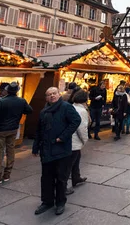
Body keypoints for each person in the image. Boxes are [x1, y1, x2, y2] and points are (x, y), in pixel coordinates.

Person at [33, 87, 81, 216]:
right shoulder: (44, 111)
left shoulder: (66, 107)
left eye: (54, 93)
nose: (52, 96)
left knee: (61, 178)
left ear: (59, 95)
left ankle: (60, 202)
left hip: (61, 149)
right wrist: (35, 147)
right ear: (46, 98)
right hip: (47, 150)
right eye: (49, 94)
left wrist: (63, 136)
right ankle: (47, 201)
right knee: (46, 178)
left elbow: (76, 121)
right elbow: (39, 130)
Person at [0, 82, 33, 185]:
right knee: (10, 150)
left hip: (0, 129)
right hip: (13, 128)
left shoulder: (1, 102)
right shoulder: (21, 101)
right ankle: (7, 174)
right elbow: (29, 110)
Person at [66, 91, 89, 195]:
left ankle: (76, 177)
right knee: (69, 164)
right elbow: (81, 127)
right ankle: (65, 186)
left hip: (68, 138)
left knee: (76, 158)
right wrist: (85, 140)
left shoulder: (71, 107)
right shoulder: (82, 111)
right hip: (74, 140)